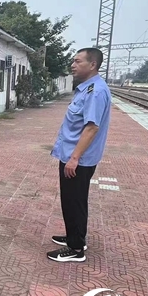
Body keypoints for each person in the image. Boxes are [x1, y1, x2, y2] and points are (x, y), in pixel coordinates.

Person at [47, 48, 111, 263]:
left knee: (73, 201)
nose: (73, 65)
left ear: (92, 65)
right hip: (74, 155)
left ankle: (75, 250)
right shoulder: (87, 89)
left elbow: (91, 127)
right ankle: (75, 237)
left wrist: (74, 158)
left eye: (77, 61)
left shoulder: (95, 91)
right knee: (73, 200)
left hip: (78, 159)